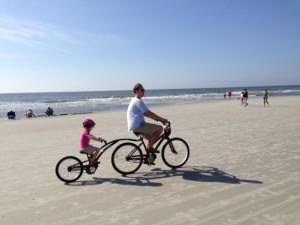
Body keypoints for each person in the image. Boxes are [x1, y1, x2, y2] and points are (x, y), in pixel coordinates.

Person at [127, 83, 169, 154]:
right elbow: (147, 113)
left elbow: (147, 114)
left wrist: (157, 119)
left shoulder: (134, 100)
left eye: (144, 90)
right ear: (136, 91)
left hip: (136, 126)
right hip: (139, 126)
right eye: (142, 90)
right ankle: (149, 148)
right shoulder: (138, 101)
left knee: (152, 138)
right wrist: (162, 119)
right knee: (160, 129)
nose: (144, 91)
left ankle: (149, 157)